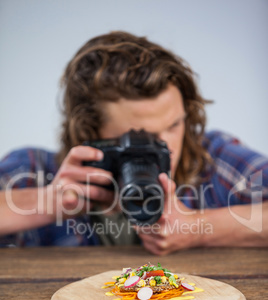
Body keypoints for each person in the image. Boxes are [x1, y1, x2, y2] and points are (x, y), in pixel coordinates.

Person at [0, 31, 268, 253]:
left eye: (174, 125)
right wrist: (43, 202)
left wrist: (199, 227)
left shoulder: (212, 159)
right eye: (143, 138)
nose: (167, 148)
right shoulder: (33, 171)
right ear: (89, 135)